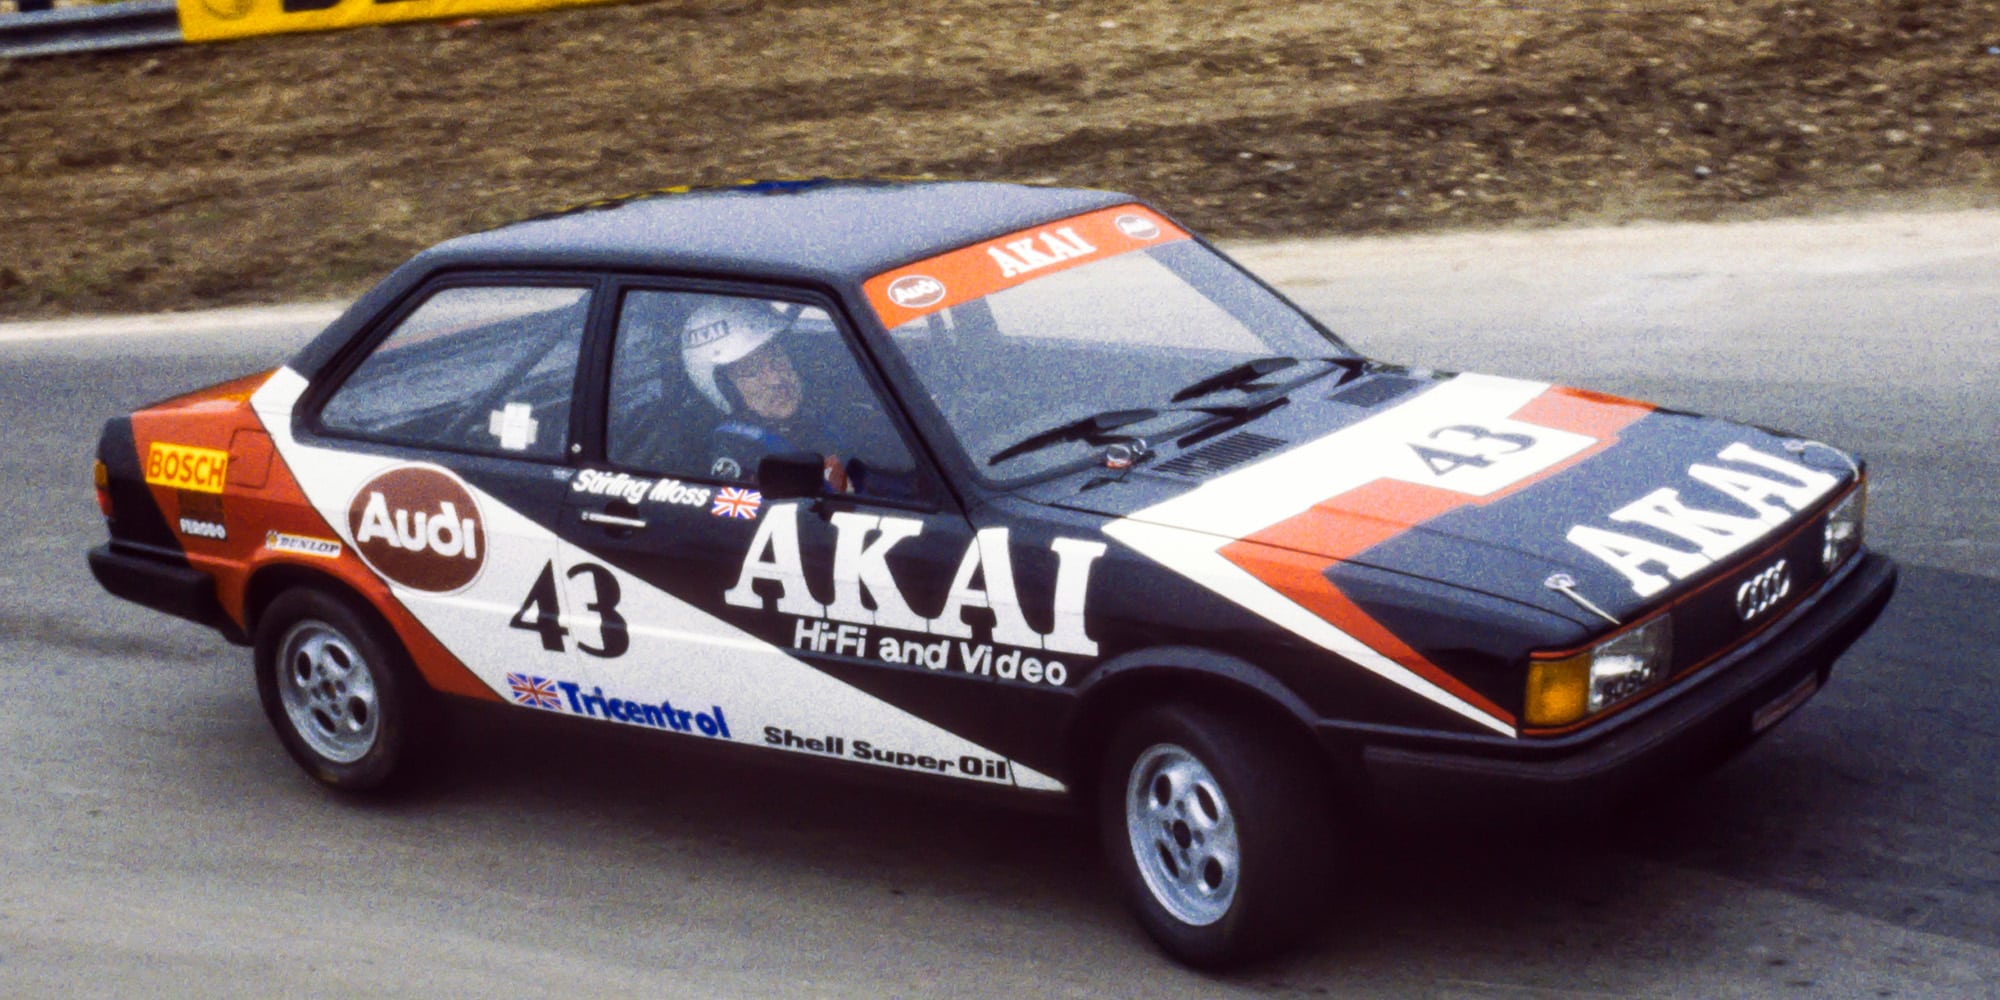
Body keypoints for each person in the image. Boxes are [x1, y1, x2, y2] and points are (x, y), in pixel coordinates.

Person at [680, 298, 861, 491]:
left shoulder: (814, 419)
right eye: (751, 372)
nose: (775, 379)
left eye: (776, 358)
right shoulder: (741, 457)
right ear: (725, 389)